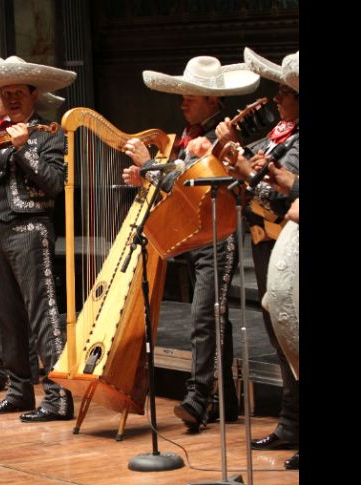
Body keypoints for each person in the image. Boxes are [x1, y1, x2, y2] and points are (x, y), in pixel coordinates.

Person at [121, 56, 260, 432]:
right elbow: (177, 188)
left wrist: (150, 166)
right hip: (195, 234)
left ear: (213, 101)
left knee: (205, 317)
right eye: (183, 93)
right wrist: (147, 174)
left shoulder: (223, 137)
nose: (183, 99)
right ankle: (225, 399)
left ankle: (200, 397)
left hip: (218, 234)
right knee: (212, 317)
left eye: (192, 94)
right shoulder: (187, 136)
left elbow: (192, 187)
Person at [0, 55, 76, 422]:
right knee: (8, 319)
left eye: (19, 92)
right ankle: (20, 391)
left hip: (31, 231)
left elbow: (53, 185)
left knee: (43, 315)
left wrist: (22, 150)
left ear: (33, 94)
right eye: (7, 94)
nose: (12, 99)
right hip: (0, 232)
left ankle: (58, 398)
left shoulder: (48, 134)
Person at [216, 49, 300, 469]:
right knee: (280, 335)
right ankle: (291, 422)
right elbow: (246, 176)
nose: (278, 96)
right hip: (267, 244)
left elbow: (282, 196)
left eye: (285, 90)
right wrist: (235, 158)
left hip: (291, 243)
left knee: (296, 335)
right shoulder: (278, 136)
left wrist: (249, 173)